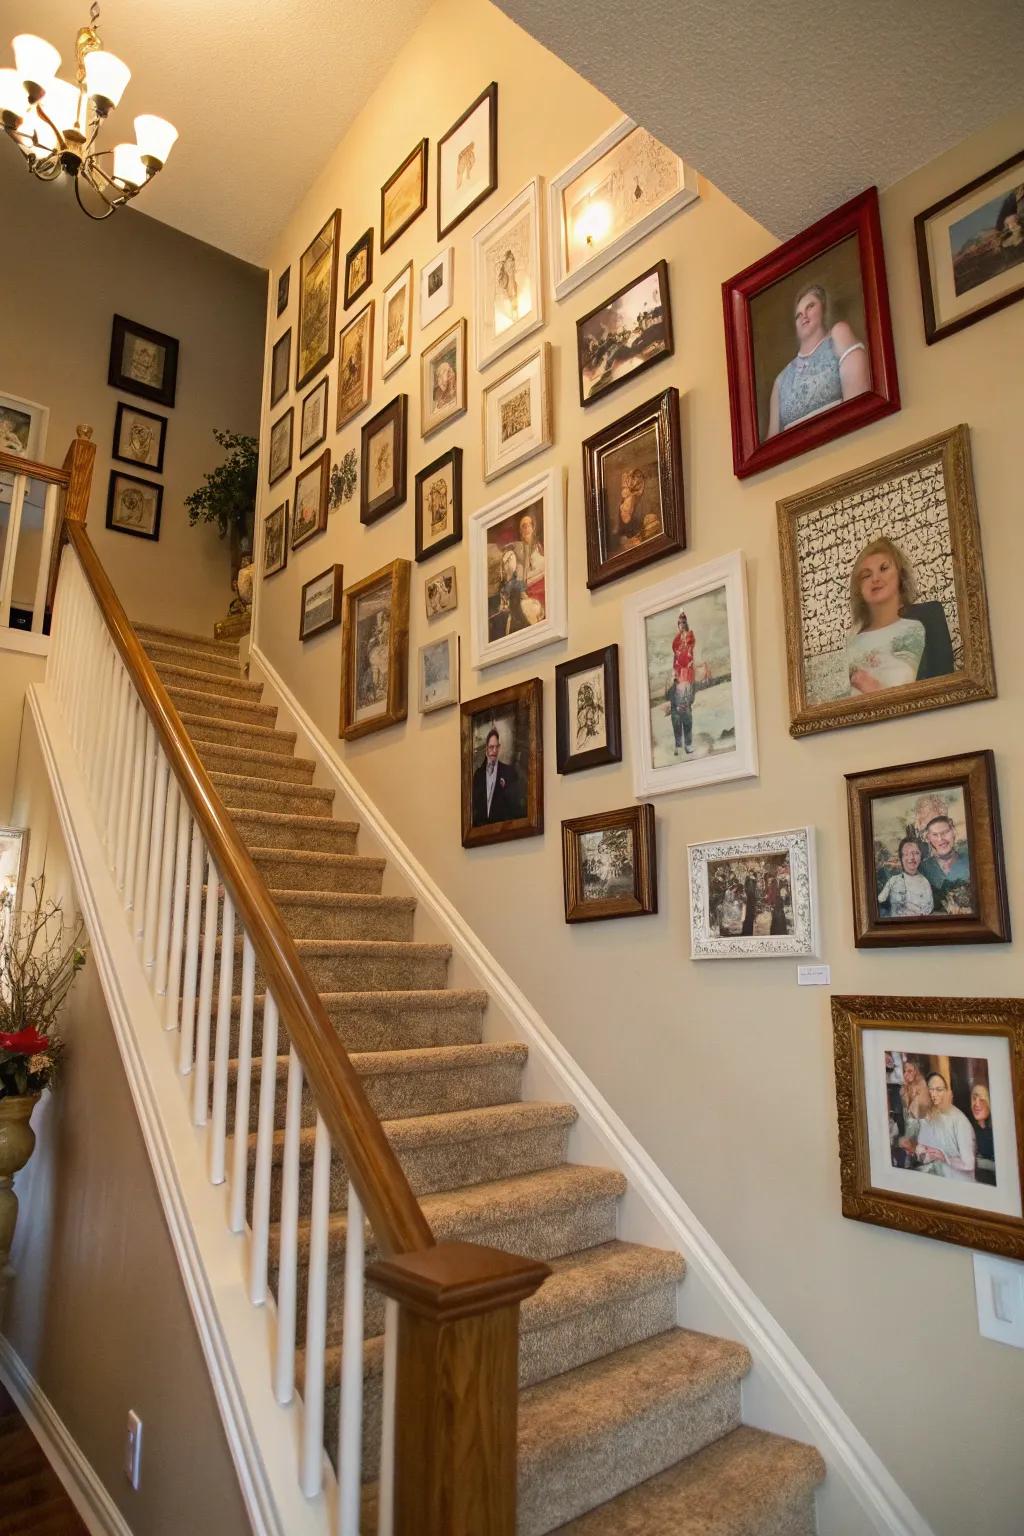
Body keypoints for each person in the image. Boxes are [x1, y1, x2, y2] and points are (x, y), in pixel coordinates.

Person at [766, 283, 869, 437]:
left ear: (823, 308)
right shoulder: (781, 380)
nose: (804, 316)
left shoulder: (838, 335)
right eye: (798, 314)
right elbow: (772, 442)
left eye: (810, 306)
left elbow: (859, 407)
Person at [845, 538, 926, 695]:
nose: (875, 579)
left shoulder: (912, 629)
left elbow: (904, 686)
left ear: (900, 577)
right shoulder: (853, 641)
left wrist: (866, 684)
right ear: (859, 589)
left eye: (883, 568)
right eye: (866, 575)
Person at [914, 1073, 976, 1181]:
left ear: (948, 1092)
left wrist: (944, 1157)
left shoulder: (960, 1121)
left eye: (939, 1090)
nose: (934, 1094)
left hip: (960, 1184)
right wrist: (922, 1153)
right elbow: (925, 1154)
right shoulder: (927, 1118)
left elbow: (969, 1164)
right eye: (930, 1089)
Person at [471, 726, 523, 825]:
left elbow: (515, 808)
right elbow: (474, 807)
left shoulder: (509, 772)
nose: (494, 751)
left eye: (496, 747)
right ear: (486, 749)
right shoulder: (478, 775)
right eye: (491, 747)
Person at [919, 814, 972, 911]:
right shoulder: (923, 869)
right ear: (929, 838)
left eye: (945, 832)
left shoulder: (969, 862)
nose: (940, 839)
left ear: (953, 832)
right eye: (935, 835)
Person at [877, 838, 934, 919]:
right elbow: (879, 901)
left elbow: (928, 911)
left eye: (916, 853)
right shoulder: (893, 880)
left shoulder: (925, 882)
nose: (911, 857)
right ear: (901, 858)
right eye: (906, 854)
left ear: (921, 856)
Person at [667, 609, 696, 756]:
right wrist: (674, 675)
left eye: (683, 622)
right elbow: (676, 658)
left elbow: (686, 658)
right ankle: (678, 744)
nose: (682, 625)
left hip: (687, 679)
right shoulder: (677, 642)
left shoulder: (689, 638)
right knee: (675, 715)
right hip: (677, 679)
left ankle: (688, 744)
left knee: (686, 713)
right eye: (680, 623)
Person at [896, 1057, 933, 1166]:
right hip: (912, 1128)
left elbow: (917, 1114)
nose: (906, 1074)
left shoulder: (922, 1085)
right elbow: (906, 1115)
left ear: (916, 1071)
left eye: (910, 1071)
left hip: (923, 1128)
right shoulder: (905, 1088)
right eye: (904, 1071)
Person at [969, 1082, 996, 1186]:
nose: (976, 1103)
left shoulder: (996, 1132)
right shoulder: (970, 1129)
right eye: (974, 1098)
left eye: (982, 1099)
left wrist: (978, 1162)